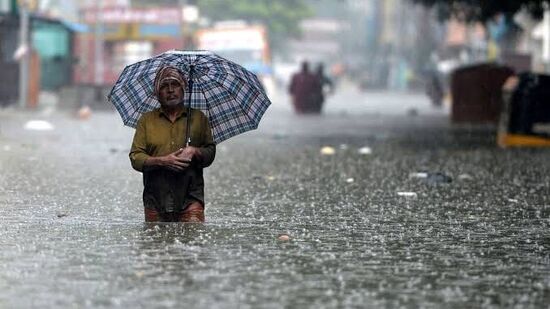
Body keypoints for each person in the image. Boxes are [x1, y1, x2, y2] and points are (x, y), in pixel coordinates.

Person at [129, 66, 216, 223]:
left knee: (193, 241)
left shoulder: (198, 118)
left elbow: (210, 153)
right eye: (164, 86)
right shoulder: (146, 120)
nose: (170, 90)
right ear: (157, 93)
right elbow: (136, 157)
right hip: (155, 198)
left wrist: (194, 151)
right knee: (155, 244)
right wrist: (163, 161)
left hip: (190, 197)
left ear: (183, 89)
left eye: (175, 84)